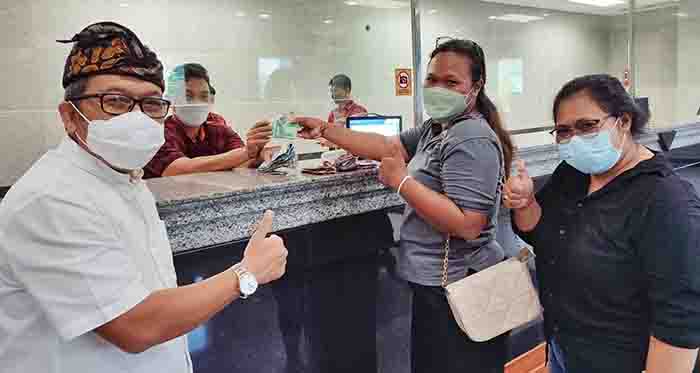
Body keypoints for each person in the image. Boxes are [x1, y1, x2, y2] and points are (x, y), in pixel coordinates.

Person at [0, 22, 288, 373]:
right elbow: (135, 325)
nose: (136, 119)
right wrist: (247, 273)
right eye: (115, 101)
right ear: (68, 117)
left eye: (151, 104)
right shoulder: (51, 198)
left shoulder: (122, 178)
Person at [295, 38, 515, 373]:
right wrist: (327, 130)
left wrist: (402, 182)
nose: (438, 88)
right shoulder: (438, 128)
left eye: (452, 81)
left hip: (459, 287)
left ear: (476, 85)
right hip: (437, 285)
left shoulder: (471, 138)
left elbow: (469, 224)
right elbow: (386, 144)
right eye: (432, 79)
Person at [504, 74, 700, 373]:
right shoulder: (572, 175)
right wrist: (526, 203)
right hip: (564, 347)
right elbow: (541, 235)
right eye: (563, 131)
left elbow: (680, 317)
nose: (574, 139)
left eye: (587, 126)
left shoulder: (665, 200)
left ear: (623, 122)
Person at [143, 63, 272, 178]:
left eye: (204, 96)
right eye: (188, 96)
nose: (197, 102)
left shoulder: (218, 128)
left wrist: (259, 154)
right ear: (171, 100)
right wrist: (246, 152)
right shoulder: (160, 132)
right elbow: (175, 169)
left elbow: (241, 163)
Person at [320, 74, 368, 149]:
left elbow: (361, 141)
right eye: (331, 91)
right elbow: (329, 137)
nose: (333, 95)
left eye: (335, 91)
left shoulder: (359, 112)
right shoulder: (333, 113)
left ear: (347, 90)